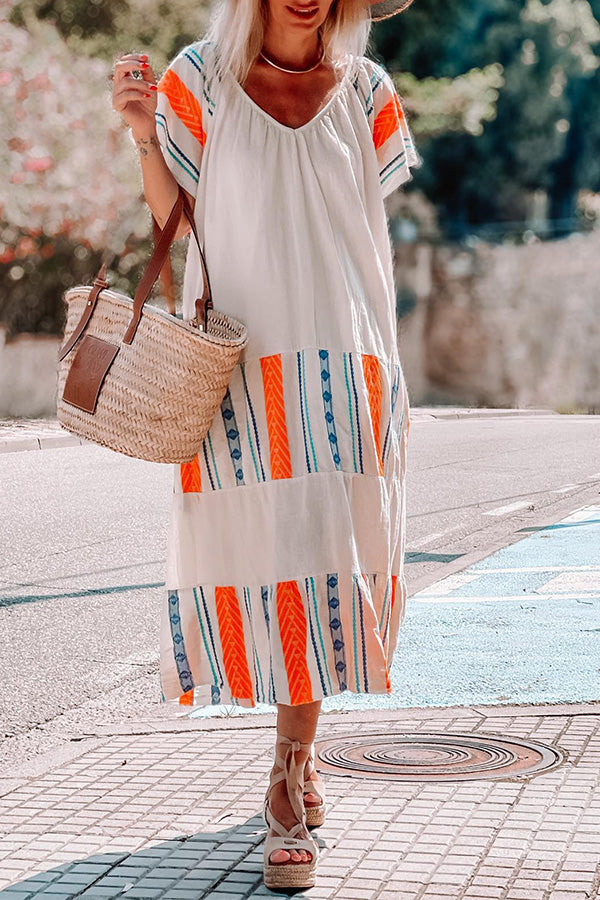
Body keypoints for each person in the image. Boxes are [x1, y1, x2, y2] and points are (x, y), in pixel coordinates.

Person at [111, 0, 420, 889]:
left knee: (324, 552)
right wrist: (143, 133)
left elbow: (353, 228)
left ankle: (291, 769)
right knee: (275, 551)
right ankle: (298, 760)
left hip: (346, 358)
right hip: (242, 358)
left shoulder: (367, 91)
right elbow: (181, 219)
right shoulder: (197, 78)